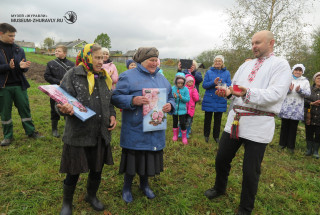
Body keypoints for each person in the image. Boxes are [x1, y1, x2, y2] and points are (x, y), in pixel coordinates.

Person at [204, 30, 291, 215]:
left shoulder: (281, 65)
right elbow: (234, 87)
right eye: (252, 43)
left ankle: (245, 208)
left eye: (258, 42)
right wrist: (227, 92)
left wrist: (246, 92)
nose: (254, 46)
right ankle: (220, 188)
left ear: (271, 43)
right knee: (221, 159)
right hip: (235, 121)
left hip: (259, 124)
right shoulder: (246, 65)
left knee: (250, 171)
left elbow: (277, 94)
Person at [57, 43, 116, 214]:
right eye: (96, 57)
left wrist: (112, 114)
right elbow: (59, 99)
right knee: (73, 171)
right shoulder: (73, 74)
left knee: (97, 169)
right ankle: (67, 203)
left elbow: (108, 101)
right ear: (86, 57)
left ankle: (91, 195)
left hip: (99, 131)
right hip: (78, 133)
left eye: (102, 57)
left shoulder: (105, 76)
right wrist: (63, 108)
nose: (100, 61)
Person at [112, 47, 175, 203]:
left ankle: (144, 185)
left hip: (154, 128)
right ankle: (127, 187)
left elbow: (171, 97)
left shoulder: (162, 79)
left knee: (148, 158)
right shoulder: (128, 76)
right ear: (141, 61)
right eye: (151, 60)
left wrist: (170, 106)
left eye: (156, 60)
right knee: (133, 158)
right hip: (136, 128)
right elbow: (115, 97)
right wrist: (133, 100)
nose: (154, 63)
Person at [0, 23, 42, 146]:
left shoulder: (19, 49)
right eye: (10, 35)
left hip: (19, 85)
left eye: (14, 36)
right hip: (3, 87)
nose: (13, 38)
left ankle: (31, 132)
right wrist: (8, 66)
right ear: (1, 34)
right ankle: (8, 136)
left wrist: (23, 67)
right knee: (5, 113)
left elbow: (22, 67)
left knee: (25, 109)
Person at [278, 64, 310, 153]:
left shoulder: (305, 81)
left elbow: (308, 93)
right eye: (296, 70)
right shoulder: (287, 79)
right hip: (286, 106)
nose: (298, 72)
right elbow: (280, 91)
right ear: (293, 70)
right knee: (284, 125)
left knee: (293, 126)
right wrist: (288, 90)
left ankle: (291, 146)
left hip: (297, 107)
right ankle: (282, 144)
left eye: (300, 70)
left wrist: (300, 91)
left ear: (302, 72)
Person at [44, 45, 75, 137]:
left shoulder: (72, 64)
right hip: (55, 90)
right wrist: (58, 82)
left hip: (67, 90)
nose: (56, 52)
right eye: (56, 51)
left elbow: (74, 76)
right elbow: (47, 76)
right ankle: (54, 129)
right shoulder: (50, 63)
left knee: (68, 108)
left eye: (59, 51)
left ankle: (68, 127)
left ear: (65, 53)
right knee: (54, 108)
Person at [202, 55, 231, 143]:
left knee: (218, 119)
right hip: (209, 98)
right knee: (208, 118)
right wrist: (213, 82)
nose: (218, 62)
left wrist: (222, 83)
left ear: (222, 63)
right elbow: (204, 85)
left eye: (220, 61)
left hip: (220, 98)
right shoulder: (209, 72)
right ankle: (206, 135)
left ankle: (216, 136)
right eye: (216, 61)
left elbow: (229, 85)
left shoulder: (227, 73)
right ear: (214, 62)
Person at [304, 72, 320, 159]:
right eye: (318, 78)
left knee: (318, 134)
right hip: (310, 115)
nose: (319, 80)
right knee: (309, 132)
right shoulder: (309, 89)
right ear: (314, 79)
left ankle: (316, 151)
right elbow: (304, 100)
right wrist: (312, 103)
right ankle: (309, 150)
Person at [172, 72, 190, 144]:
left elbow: (187, 99)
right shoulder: (173, 88)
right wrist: (175, 98)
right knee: (175, 122)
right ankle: (175, 135)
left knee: (182, 123)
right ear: (176, 82)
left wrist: (181, 98)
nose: (180, 85)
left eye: (181, 83)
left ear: (184, 83)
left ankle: (184, 136)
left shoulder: (185, 89)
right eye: (178, 83)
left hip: (182, 110)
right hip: (175, 109)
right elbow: (171, 98)